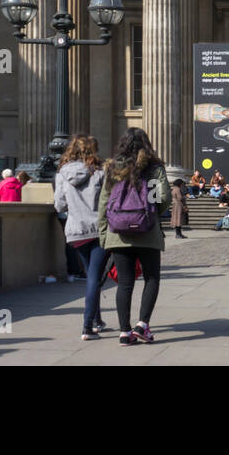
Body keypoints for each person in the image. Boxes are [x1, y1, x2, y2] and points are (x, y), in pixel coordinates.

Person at [97, 127, 170, 346]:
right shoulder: (154, 167)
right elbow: (161, 198)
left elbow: (104, 202)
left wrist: (103, 233)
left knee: (125, 283)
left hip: (119, 233)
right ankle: (142, 325)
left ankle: (124, 331)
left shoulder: (112, 168)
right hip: (147, 231)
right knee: (152, 277)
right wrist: (150, 213)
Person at [53, 134, 111, 339]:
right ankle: (87, 326)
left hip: (75, 232)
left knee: (91, 275)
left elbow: (59, 205)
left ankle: (96, 320)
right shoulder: (100, 171)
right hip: (97, 230)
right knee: (94, 277)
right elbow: (109, 201)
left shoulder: (62, 173)